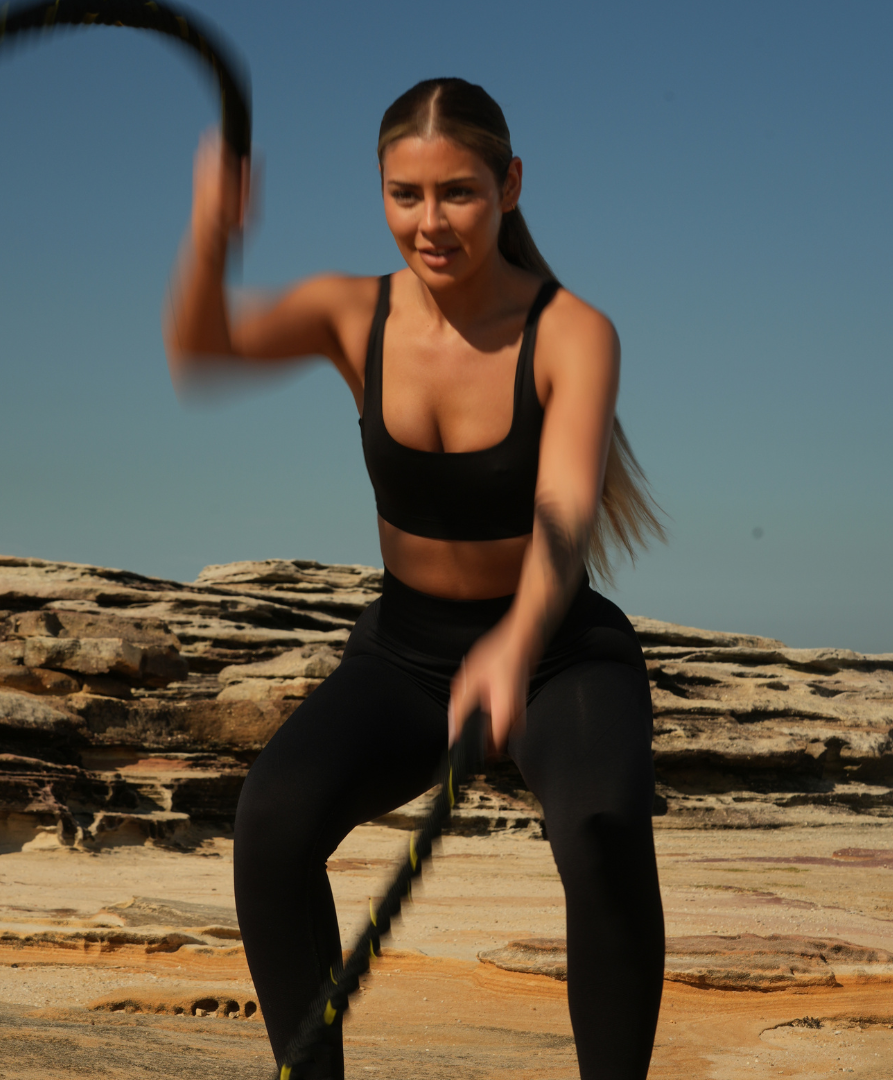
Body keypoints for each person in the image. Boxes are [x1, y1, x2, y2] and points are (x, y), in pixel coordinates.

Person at [164, 77, 666, 1080]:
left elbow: (565, 518)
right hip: (407, 651)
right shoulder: (352, 313)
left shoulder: (573, 333)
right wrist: (210, 231)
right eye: (406, 194)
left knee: (602, 828)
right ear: (381, 193)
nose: (429, 222)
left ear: (509, 184)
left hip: (558, 650)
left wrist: (513, 648)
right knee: (272, 817)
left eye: (458, 193)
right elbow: (200, 350)